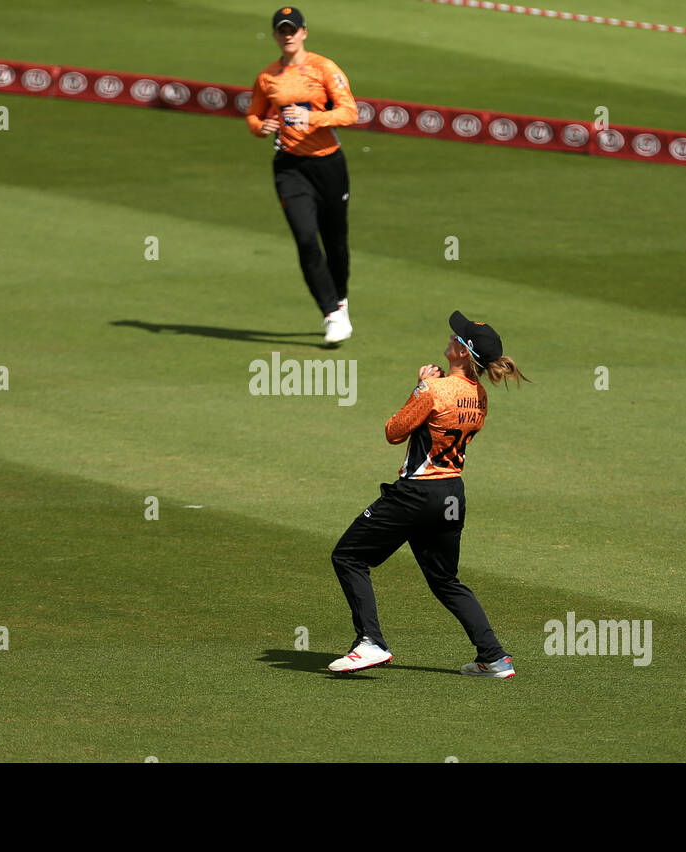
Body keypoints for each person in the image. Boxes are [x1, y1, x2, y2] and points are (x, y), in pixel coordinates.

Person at [328, 312, 532, 676]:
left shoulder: (434, 390)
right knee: (445, 580)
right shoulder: (480, 396)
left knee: (348, 557)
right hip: (451, 496)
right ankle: (494, 657)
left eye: (459, 336)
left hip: (416, 494)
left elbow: (394, 431)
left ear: (463, 352)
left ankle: (370, 642)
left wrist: (420, 386)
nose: (452, 335)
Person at [245, 7, 358, 346]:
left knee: (335, 240)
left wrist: (313, 120)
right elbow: (254, 114)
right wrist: (259, 127)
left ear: (304, 32)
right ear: (276, 36)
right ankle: (331, 313)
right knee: (305, 238)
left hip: (328, 164)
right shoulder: (268, 77)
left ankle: (340, 299)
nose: (288, 35)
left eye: (293, 29)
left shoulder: (324, 68)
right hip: (290, 167)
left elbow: (350, 112)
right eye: (282, 30)